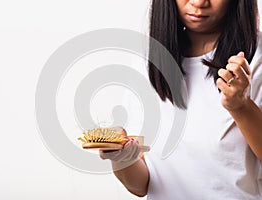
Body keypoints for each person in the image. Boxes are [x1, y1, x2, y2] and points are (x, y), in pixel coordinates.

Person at [100, 0, 262, 199]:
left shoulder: (256, 59)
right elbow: (140, 186)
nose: (199, 2)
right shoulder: (147, 61)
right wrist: (121, 156)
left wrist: (240, 106)